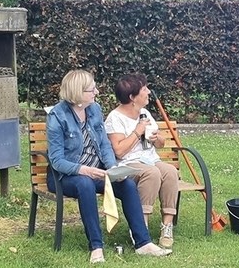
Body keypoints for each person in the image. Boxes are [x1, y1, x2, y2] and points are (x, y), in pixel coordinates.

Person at [46, 70, 172, 264]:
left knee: (127, 185)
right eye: (92, 89)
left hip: (97, 171)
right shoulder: (57, 116)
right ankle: (96, 247)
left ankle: (143, 243)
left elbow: (104, 144)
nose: (96, 92)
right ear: (78, 93)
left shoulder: (94, 109)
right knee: (85, 185)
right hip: (66, 176)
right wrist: (85, 170)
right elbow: (56, 161)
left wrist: (113, 169)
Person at [104, 74, 179, 248]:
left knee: (170, 172)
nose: (148, 92)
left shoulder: (144, 113)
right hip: (128, 164)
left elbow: (161, 144)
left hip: (150, 159)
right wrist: (138, 132)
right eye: (144, 89)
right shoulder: (114, 118)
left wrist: (157, 137)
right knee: (151, 173)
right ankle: (140, 227)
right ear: (132, 97)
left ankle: (167, 226)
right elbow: (119, 151)